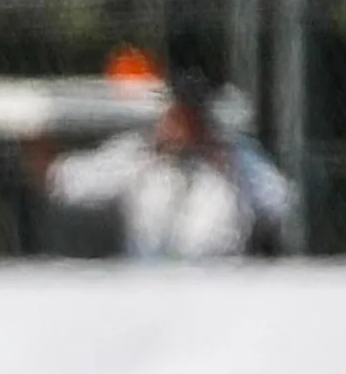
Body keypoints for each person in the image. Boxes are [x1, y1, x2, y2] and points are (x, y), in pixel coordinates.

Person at [31, 67, 292, 259]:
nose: (187, 124)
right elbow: (66, 181)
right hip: (150, 287)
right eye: (180, 114)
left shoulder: (235, 154)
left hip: (219, 286)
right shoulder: (138, 152)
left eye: (195, 116)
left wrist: (224, 162)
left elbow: (281, 202)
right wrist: (29, 125)